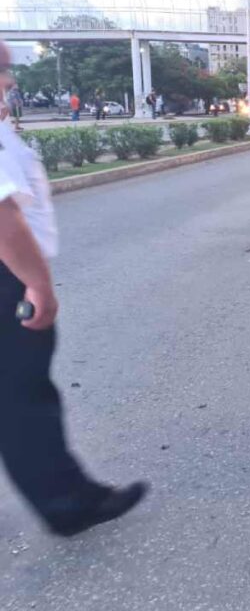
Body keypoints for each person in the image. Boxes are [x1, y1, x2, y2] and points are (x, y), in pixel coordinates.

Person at [0, 41, 148, 536]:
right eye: (2, 70)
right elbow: (2, 214)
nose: (10, 79)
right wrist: (37, 282)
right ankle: (66, 502)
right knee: (22, 393)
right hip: (9, 276)